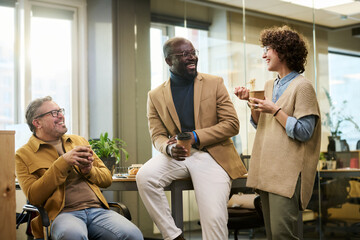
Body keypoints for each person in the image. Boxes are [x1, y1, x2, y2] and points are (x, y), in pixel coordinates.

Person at [136, 37, 247, 240]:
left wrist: (195, 136)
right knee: (145, 177)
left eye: (193, 52)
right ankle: (174, 236)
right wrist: (168, 149)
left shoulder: (214, 83)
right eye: (185, 54)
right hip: (178, 156)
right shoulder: (154, 95)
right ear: (169, 61)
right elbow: (157, 135)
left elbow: (232, 124)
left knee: (213, 219)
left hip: (212, 155)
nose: (192, 57)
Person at [234, 25, 321, 240]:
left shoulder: (303, 87)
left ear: (283, 51)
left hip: (287, 174)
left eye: (268, 49)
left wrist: (275, 110)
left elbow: (304, 132)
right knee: (272, 236)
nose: (264, 55)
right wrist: (251, 104)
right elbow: (261, 125)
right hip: (266, 171)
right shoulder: (269, 86)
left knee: (283, 235)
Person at [15, 96, 143, 240]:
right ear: (37, 122)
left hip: (97, 211)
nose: (61, 116)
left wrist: (89, 171)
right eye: (54, 113)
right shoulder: (23, 154)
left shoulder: (78, 141)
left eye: (60, 111)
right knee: (72, 235)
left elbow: (106, 179)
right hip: (63, 214)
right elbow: (34, 196)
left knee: (133, 234)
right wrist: (62, 162)